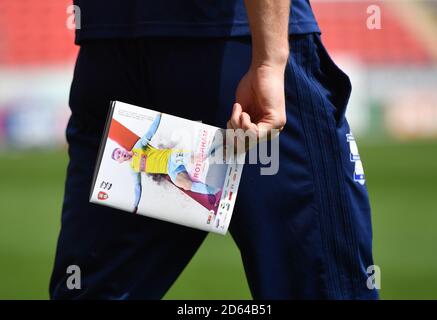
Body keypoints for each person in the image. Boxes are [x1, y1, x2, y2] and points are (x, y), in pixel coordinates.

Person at [50, 0, 378, 299]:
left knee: (93, 291)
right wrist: (268, 60)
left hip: (111, 50)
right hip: (235, 49)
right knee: (325, 290)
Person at [111, 112, 222, 212]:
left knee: (196, 159)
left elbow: (151, 132)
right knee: (185, 185)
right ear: (120, 161)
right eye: (118, 156)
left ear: (123, 149)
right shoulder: (133, 169)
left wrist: (158, 115)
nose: (121, 154)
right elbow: (137, 187)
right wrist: (135, 205)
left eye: (119, 152)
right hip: (170, 170)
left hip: (172, 157)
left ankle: (218, 149)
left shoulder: (138, 146)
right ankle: (215, 191)